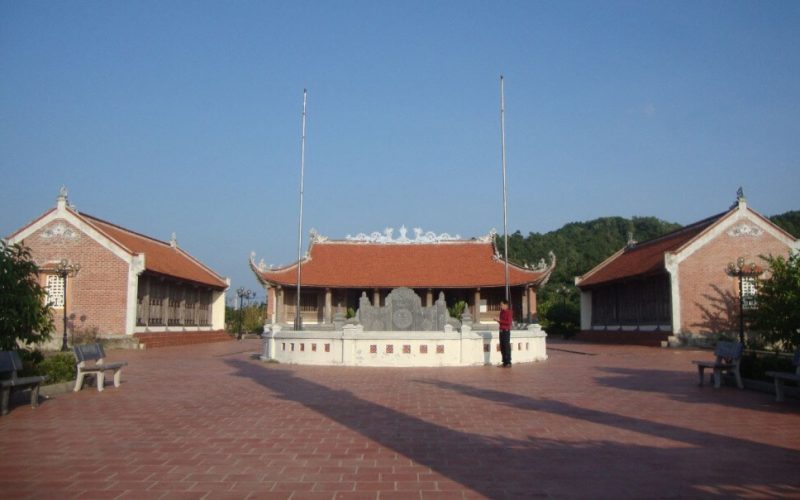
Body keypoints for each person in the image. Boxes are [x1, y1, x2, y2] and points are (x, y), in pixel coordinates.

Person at [495, 299, 513, 367]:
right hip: (501, 331)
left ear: (506, 305)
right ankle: (504, 362)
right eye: (500, 305)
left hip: (506, 331)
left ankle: (508, 362)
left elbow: (509, 322)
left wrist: (500, 321)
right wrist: (498, 321)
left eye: (502, 305)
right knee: (502, 346)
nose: (501, 306)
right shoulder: (501, 312)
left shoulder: (509, 312)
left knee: (506, 346)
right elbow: (501, 322)